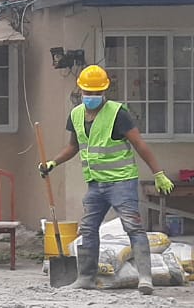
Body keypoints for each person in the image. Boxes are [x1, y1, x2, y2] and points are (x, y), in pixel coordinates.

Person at [39, 65, 174, 295]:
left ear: (105, 91)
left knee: (132, 226)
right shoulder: (76, 115)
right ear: (80, 90)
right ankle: (86, 278)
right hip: (95, 183)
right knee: (89, 228)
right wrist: (53, 163)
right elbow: (73, 147)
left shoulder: (118, 113)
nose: (91, 97)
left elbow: (139, 144)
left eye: (96, 93)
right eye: (88, 93)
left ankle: (145, 279)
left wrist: (158, 173)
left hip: (122, 182)